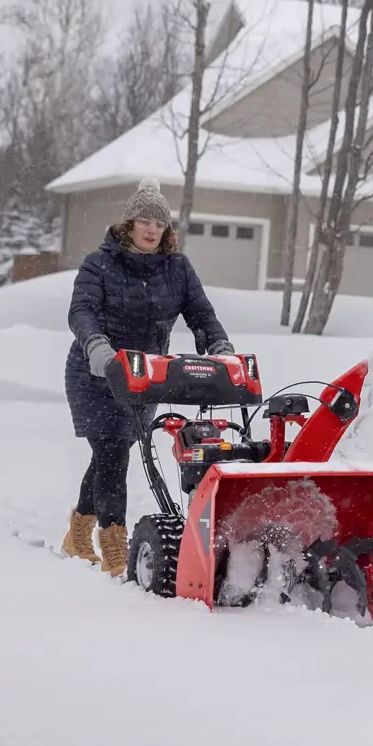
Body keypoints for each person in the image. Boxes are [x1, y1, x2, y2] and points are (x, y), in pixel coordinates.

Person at [59, 178, 233, 576]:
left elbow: (201, 315)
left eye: (159, 222)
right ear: (129, 224)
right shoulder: (98, 264)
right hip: (95, 373)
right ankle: (115, 550)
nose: (152, 229)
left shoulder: (177, 268)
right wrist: (98, 348)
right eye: (144, 220)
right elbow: (81, 312)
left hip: (144, 375)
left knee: (110, 453)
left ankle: (77, 533)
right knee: (113, 454)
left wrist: (219, 348)